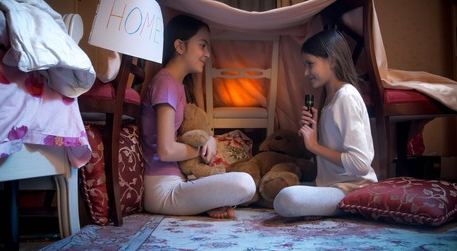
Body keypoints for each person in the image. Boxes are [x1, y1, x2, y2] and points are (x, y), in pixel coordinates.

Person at [140, 14, 255, 219]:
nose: (207, 54)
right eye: (202, 45)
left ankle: (203, 203)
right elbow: (166, 151)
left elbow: (185, 135)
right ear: (180, 46)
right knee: (245, 183)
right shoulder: (165, 83)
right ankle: (203, 202)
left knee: (241, 182)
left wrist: (208, 139)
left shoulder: (177, 85)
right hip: (162, 189)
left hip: (178, 181)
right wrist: (201, 149)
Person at [273, 29, 378, 217]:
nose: (306, 72)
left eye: (310, 64)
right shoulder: (330, 98)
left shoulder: (346, 97)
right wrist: (312, 134)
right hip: (331, 187)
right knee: (275, 188)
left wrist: (314, 146)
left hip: (352, 189)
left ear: (332, 60)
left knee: (285, 199)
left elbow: (361, 164)